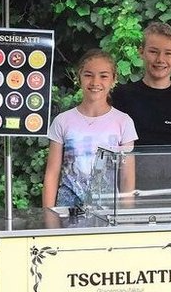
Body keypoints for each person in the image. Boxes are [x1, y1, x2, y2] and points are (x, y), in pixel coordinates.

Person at [43, 49, 138, 210]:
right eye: (88, 75)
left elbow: (127, 177)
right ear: (79, 77)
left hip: (108, 212)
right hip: (67, 210)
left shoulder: (124, 122)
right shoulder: (62, 121)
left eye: (103, 76)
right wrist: (48, 216)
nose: (95, 82)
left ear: (113, 79)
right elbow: (52, 174)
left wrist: (127, 216)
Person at [110, 22, 171, 147]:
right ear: (141, 52)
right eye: (154, 52)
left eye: (168, 53)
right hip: (130, 166)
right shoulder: (122, 95)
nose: (160, 59)